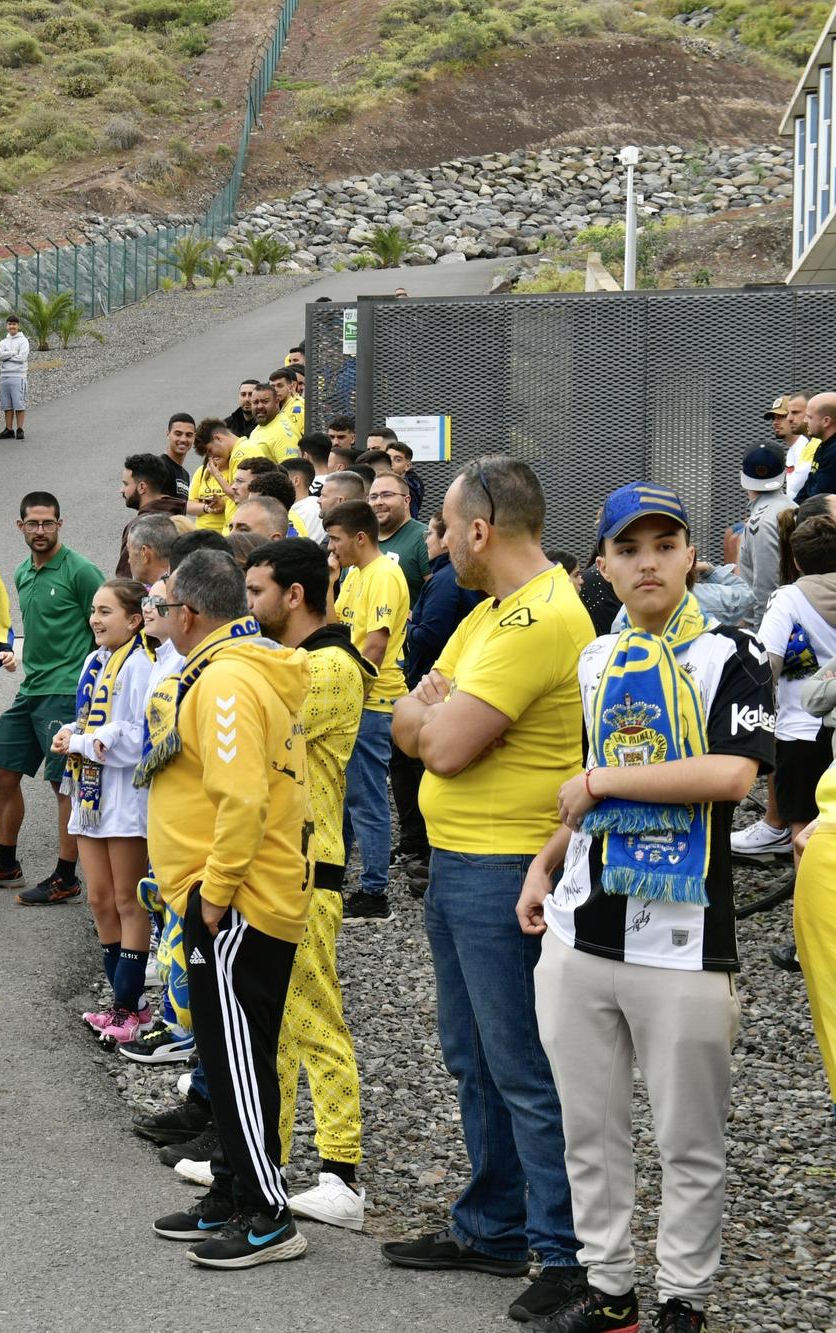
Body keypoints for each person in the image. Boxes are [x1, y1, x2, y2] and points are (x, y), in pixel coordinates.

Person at [512, 484, 771, 1333]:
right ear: (605, 566)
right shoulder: (598, 658)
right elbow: (585, 797)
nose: (648, 561)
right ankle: (612, 1286)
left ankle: (684, 1299)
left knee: (689, 1141)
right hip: (584, 928)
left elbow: (733, 775)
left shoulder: (731, 652)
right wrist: (544, 864)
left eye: (665, 543)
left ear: (693, 554)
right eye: (629, 548)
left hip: (688, 939)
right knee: (590, 1130)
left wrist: (597, 781)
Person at [386, 457, 591, 1324]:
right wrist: (432, 713)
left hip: (508, 869)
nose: (438, 543)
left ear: (479, 530)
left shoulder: (541, 618)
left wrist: (436, 715)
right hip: (462, 862)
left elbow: (438, 745)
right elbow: (404, 713)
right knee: (473, 1056)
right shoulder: (488, 615)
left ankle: (565, 1250)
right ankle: (495, 1222)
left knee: (522, 1065)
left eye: (446, 529)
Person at [142, 549, 311, 1270]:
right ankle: (236, 1189)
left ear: (189, 612)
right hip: (231, 895)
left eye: (165, 606)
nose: (161, 618)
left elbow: (243, 797)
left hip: (237, 899)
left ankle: (268, 1213)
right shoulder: (237, 668)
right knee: (228, 1051)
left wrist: (212, 894)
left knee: (238, 1057)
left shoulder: (228, 679)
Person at [245, 538, 373, 1231]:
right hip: (284, 868)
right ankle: (267, 1152)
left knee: (316, 1016)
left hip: (312, 868)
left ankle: (342, 1174)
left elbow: (261, 730)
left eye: (257, 591)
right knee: (280, 1025)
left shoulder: (327, 666)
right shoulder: (300, 661)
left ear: (294, 595)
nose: (248, 605)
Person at [0, 493, 102, 902]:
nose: (40, 530)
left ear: (60, 524)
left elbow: (106, 625)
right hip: (31, 689)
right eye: (33, 523)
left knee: (63, 785)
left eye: (48, 523)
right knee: (2, 773)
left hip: (66, 691)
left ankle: (67, 877)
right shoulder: (23, 572)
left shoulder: (81, 571)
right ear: (20, 526)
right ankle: (6, 864)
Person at [61, 578, 156, 1043]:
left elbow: (140, 739)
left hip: (124, 796)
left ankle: (125, 1008)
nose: (95, 619)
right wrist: (70, 734)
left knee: (127, 900)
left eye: (106, 612)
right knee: (99, 899)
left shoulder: (141, 666)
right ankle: (130, 1004)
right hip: (90, 793)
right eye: (94, 611)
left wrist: (81, 742)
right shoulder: (94, 660)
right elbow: (90, 721)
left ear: (134, 620)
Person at [326, 499, 409, 923]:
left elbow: (374, 645)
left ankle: (375, 894)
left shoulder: (385, 575)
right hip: (352, 699)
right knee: (345, 793)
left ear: (360, 537)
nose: (332, 547)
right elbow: (334, 629)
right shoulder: (356, 574)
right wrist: (329, 580)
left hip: (373, 701)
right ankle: (335, 877)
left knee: (367, 796)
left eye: (336, 540)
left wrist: (346, 691)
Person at [738, 511, 836, 861]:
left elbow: (767, 663)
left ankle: (810, 907)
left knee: (803, 828)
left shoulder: (788, 599)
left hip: (801, 731)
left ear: (795, 560)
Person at [395, 514, 484, 886]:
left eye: (431, 533)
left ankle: (429, 855)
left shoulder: (446, 580)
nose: (427, 540)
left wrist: (409, 625)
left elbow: (431, 633)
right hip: (431, 687)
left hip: (433, 687)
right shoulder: (447, 577)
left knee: (417, 767)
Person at [738, 445, 793, 618]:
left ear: (742, 476)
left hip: (769, 630)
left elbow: (766, 591)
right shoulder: (794, 507)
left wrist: (760, 640)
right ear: (783, 473)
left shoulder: (758, 523)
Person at [118, 452, 185, 578]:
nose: (121, 490)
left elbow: (125, 582)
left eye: (126, 484)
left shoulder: (138, 528)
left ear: (142, 487)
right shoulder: (180, 519)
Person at [370, 472, 429, 604]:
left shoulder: (424, 537)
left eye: (386, 495)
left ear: (406, 500)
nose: (378, 502)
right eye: (373, 497)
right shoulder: (361, 540)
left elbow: (440, 593)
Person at [189, 420, 235, 534]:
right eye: (207, 453)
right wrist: (207, 508)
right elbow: (188, 505)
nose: (212, 455)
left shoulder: (234, 469)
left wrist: (223, 505)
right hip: (201, 534)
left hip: (225, 533)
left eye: (211, 450)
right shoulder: (202, 471)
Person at [0, 315, 30, 439]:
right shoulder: (3, 342)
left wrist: (7, 356)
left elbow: (22, 358)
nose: (12, 326)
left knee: (19, 404)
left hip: (18, 376)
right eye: (9, 324)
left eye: (14, 324)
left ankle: (20, 429)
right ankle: (9, 429)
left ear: (18, 326)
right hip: (5, 376)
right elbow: (0, 356)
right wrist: (14, 353)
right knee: (7, 405)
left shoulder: (23, 341)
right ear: (6, 326)